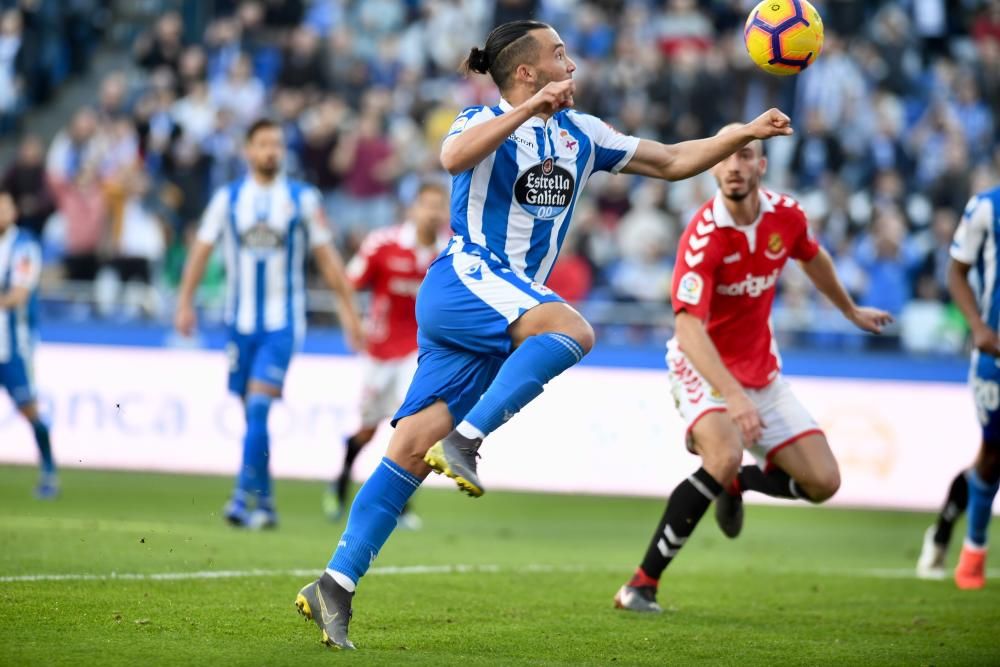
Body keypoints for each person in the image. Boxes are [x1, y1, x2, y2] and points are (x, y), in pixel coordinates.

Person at [294, 20, 795, 649]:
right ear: (528, 72)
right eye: (560, 54)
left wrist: (740, 135)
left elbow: (669, 162)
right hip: (467, 280)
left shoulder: (581, 134)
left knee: (411, 445)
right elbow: (452, 159)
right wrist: (527, 110)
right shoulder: (477, 119)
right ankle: (468, 440)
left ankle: (335, 584)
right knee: (574, 329)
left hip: (501, 310)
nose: (573, 64)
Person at [613, 126, 893, 613]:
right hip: (702, 368)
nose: (735, 166)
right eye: (726, 157)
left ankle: (737, 483)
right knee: (721, 455)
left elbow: (812, 255)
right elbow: (688, 329)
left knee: (824, 483)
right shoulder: (704, 238)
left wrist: (849, 310)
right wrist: (732, 397)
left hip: (761, 370)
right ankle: (640, 585)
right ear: (713, 164)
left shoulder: (786, 215)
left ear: (762, 167)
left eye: (746, 156)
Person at [175, 118, 363, 530]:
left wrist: (348, 313)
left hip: (283, 323)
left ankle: (242, 497)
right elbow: (201, 252)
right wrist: (185, 303)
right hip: (238, 324)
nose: (271, 151)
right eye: (262, 144)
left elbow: (328, 261)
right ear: (248, 151)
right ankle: (268, 503)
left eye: (276, 143)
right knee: (252, 418)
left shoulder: (301, 198)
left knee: (259, 406)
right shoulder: (229, 199)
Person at [323, 181, 449, 527]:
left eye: (440, 206)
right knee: (366, 430)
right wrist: (351, 324)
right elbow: (346, 286)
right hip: (378, 353)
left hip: (421, 353)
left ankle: (400, 505)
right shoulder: (383, 244)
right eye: (428, 205)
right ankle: (340, 481)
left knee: (413, 426)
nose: (434, 212)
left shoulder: (452, 252)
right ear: (413, 208)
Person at [916, 186, 1000, 590]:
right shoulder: (987, 207)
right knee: (992, 457)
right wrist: (980, 329)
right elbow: (955, 271)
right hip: (996, 354)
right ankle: (963, 544)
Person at [0, 189, 56, 498]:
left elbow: (19, 294)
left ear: (14, 212)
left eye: (4, 207)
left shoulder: (24, 247)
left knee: (29, 408)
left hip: (13, 347)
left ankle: (48, 471)